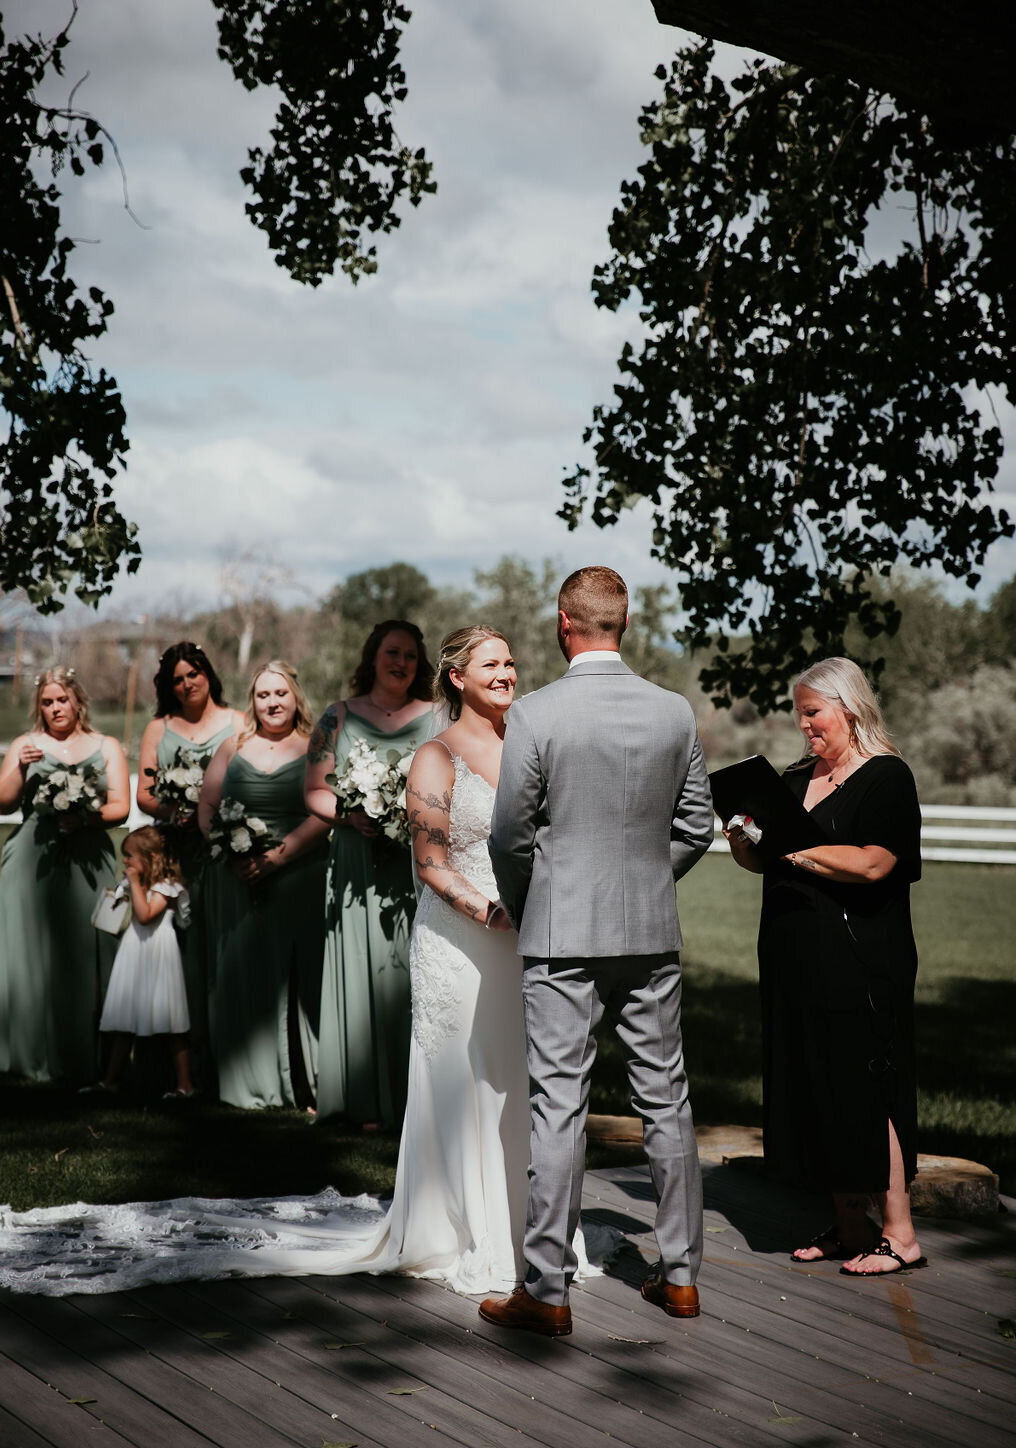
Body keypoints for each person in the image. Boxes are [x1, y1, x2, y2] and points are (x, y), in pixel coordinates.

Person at [0, 628, 617, 1296]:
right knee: (461, 1079)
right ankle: (462, 1228)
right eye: (494, 663)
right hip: (464, 936)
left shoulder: (526, 745)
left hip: (522, 938)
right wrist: (489, 912)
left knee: (517, 1081)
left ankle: (535, 1231)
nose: (509, 672)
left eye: (513, 662)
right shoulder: (434, 757)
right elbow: (432, 863)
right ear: (458, 676)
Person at [480, 566, 714, 1339]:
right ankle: (681, 1279)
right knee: (666, 1100)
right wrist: (648, 880)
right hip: (649, 932)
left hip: (561, 934)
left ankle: (546, 1292)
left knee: (559, 1104)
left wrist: (531, 902)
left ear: (562, 622)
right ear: (624, 623)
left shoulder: (537, 713)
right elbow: (696, 826)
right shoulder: (674, 711)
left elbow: (510, 834)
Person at [723, 656, 925, 1278]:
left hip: (859, 960)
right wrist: (743, 839)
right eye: (799, 715)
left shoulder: (886, 778)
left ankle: (900, 1234)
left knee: (868, 1088)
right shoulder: (792, 780)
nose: (805, 726)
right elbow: (765, 863)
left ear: (850, 706)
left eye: (814, 713)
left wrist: (794, 847)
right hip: (792, 958)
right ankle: (847, 1227)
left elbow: (874, 865)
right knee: (814, 1086)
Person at [305, 620, 436, 1128]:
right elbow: (316, 790)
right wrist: (347, 816)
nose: (400, 662)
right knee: (359, 970)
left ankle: (413, 1101)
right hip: (357, 863)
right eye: (391, 652)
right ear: (372, 656)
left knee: (411, 973)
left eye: (409, 654)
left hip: (415, 866)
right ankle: (357, 1097)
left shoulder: (438, 717)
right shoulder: (337, 717)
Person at [198, 661, 328, 1109]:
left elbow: (324, 814)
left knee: (299, 974)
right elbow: (208, 805)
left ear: (296, 698)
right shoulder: (232, 746)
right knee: (242, 972)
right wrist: (229, 853)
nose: (272, 702)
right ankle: (244, 1078)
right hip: (235, 877)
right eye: (262, 695)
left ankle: (305, 1082)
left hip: (299, 872)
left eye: (280, 694)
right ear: (252, 702)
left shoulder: (315, 747)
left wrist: (277, 857)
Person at [0, 667, 131, 1083]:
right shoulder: (26, 744)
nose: (55, 708)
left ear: (78, 702)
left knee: (90, 947)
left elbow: (120, 807)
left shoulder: (106, 745)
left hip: (89, 857)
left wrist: (85, 820)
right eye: (47, 702)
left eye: (62, 700)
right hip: (33, 856)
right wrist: (18, 766)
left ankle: (86, 1056)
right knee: (29, 950)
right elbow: (1, 803)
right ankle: (25, 1052)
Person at [137, 641, 243, 1086]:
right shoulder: (158, 728)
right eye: (177, 679)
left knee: (220, 946)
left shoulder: (238, 721)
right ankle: (177, 1064)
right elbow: (145, 793)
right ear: (168, 685)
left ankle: (226, 1053)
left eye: (193, 673)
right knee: (175, 954)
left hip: (224, 850)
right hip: (174, 854)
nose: (187, 684)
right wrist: (173, 811)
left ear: (207, 673)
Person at [86, 827, 193, 1099]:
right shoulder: (139, 884)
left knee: (172, 1024)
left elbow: (145, 916)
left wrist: (134, 884)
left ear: (151, 857)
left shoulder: (166, 888)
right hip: (134, 953)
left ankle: (185, 1085)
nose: (126, 863)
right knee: (125, 1022)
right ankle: (110, 1080)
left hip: (159, 957)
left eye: (130, 857)